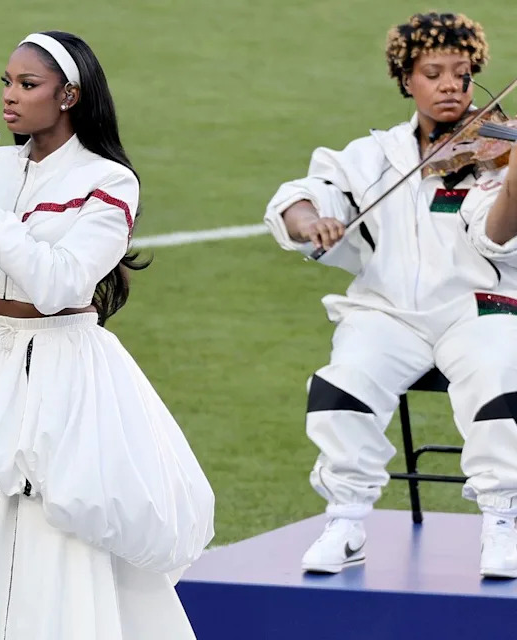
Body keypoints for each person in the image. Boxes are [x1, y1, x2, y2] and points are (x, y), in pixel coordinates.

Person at [0, 30, 214, 640]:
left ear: (69, 95)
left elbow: (60, 284)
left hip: (69, 381)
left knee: (55, 584)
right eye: (6, 83)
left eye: (27, 84)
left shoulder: (111, 182)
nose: (9, 98)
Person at [264, 11, 517, 577]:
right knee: (340, 385)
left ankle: (503, 521)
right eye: (434, 73)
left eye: (461, 73)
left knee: (499, 377)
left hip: (480, 309)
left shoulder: (500, 150)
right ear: (407, 80)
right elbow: (301, 196)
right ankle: (346, 519)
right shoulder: (372, 155)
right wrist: (313, 225)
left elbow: (497, 237)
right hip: (387, 312)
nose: (451, 85)